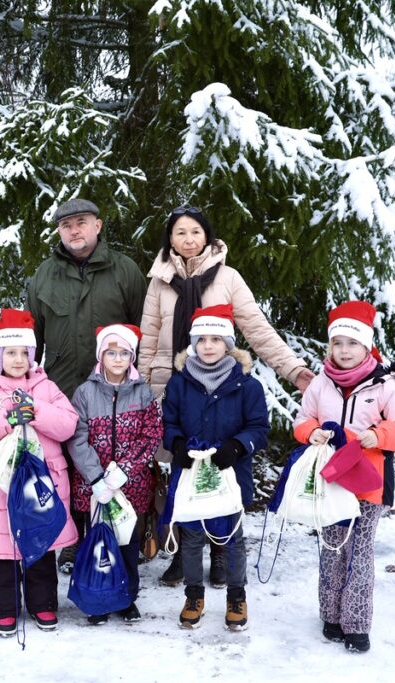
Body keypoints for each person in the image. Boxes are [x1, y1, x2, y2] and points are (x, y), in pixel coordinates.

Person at [138, 205, 314, 586]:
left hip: (222, 388)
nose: (188, 239)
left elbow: (257, 328)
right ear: (170, 239)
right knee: (180, 472)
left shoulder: (228, 277)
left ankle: (220, 553)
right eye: (180, 232)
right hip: (173, 387)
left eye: (195, 232)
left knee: (221, 472)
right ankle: (183, 553)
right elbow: (149, 338)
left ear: (207, 236)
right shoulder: (158, 281)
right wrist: (140, 388)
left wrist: (294, 369)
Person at [26, 197, 147, 574]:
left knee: (117, 460)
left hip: (115, 391)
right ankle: (73, 540)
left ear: (97, 225)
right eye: (66, 225)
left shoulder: (124, 271)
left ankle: (127, 534)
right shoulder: (44, 275)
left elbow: (144, 331)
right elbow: (33, 339)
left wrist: (136, 384)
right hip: (63, 388)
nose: (74, 230)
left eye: (81, 222)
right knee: (69, 463)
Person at [292, 300, 395, 653]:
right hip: (331, 481)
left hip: (369, 483)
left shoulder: (384, 386)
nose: (344, 351)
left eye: (352, 343)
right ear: (330, 346)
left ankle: (357, 624)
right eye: (338, 343)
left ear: (366, 346)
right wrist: (310, 432)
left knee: (359, 553)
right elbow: (302, 421)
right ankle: (331, 616)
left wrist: (379, 436)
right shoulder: (320, 384)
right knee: (332, 548)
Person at [0, 308, 79, 637]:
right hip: (0, 488)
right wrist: (8, 418)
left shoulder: (46, 388)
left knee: (39, 546)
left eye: (23, 353)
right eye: (10, 353)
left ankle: (43, 604)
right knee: (2, 551)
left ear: (32, 355)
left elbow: (67, 425)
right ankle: (6, 609)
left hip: (41, 485)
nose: (17, 359)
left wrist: (35, 410)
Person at [162, 304, 269, 631]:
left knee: (232, 537)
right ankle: (194, 594)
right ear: (193, 344)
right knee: (191, 537)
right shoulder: (180, 383)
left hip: (230, 474)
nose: (208, 345)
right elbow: (168, 422)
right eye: (202, 339)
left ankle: (237, 596)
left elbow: (259, 428)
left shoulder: (247, 385)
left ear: (228, 344)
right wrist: (176, 443)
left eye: (216, 339)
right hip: (192, 474)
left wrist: (238, 446)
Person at [67, 324, 163, 624]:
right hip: (92, 488)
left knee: (127, 544)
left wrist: (125, 470)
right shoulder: (85, 392)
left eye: (124, 353)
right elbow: (76, 438)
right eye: (112, 353)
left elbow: (151, 435)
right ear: (101, 356)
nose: (118, 359)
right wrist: (96, 478)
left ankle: (127, 598)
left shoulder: (143, 392)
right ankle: (97, 599)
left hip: (130, 487)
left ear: (132, 357)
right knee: (97, 544)